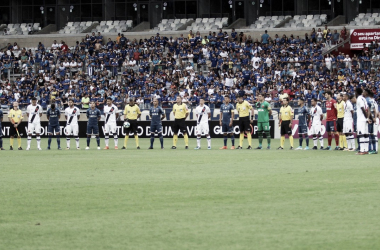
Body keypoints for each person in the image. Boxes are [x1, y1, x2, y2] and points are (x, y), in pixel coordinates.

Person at [355, 88, 370, 155]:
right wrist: (368, 118)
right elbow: (367, 109)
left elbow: (363, 109)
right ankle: (366, 150)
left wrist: (367, 118)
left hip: (361, 119)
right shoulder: (364, 99)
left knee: (361, 135)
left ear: (356, 92)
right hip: (365, 119)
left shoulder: (359, 99)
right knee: (366, 135)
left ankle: (362, 150)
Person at [366, 89, 378, 154]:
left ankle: (370, 149)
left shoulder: (368, 100)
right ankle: (375, 149)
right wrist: (375, 118)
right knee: (373, 134)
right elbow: (375, 110)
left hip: (371, 119)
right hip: (374, 119)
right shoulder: (374, 101)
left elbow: (369, 110)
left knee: (370, 134)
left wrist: (371, 118)